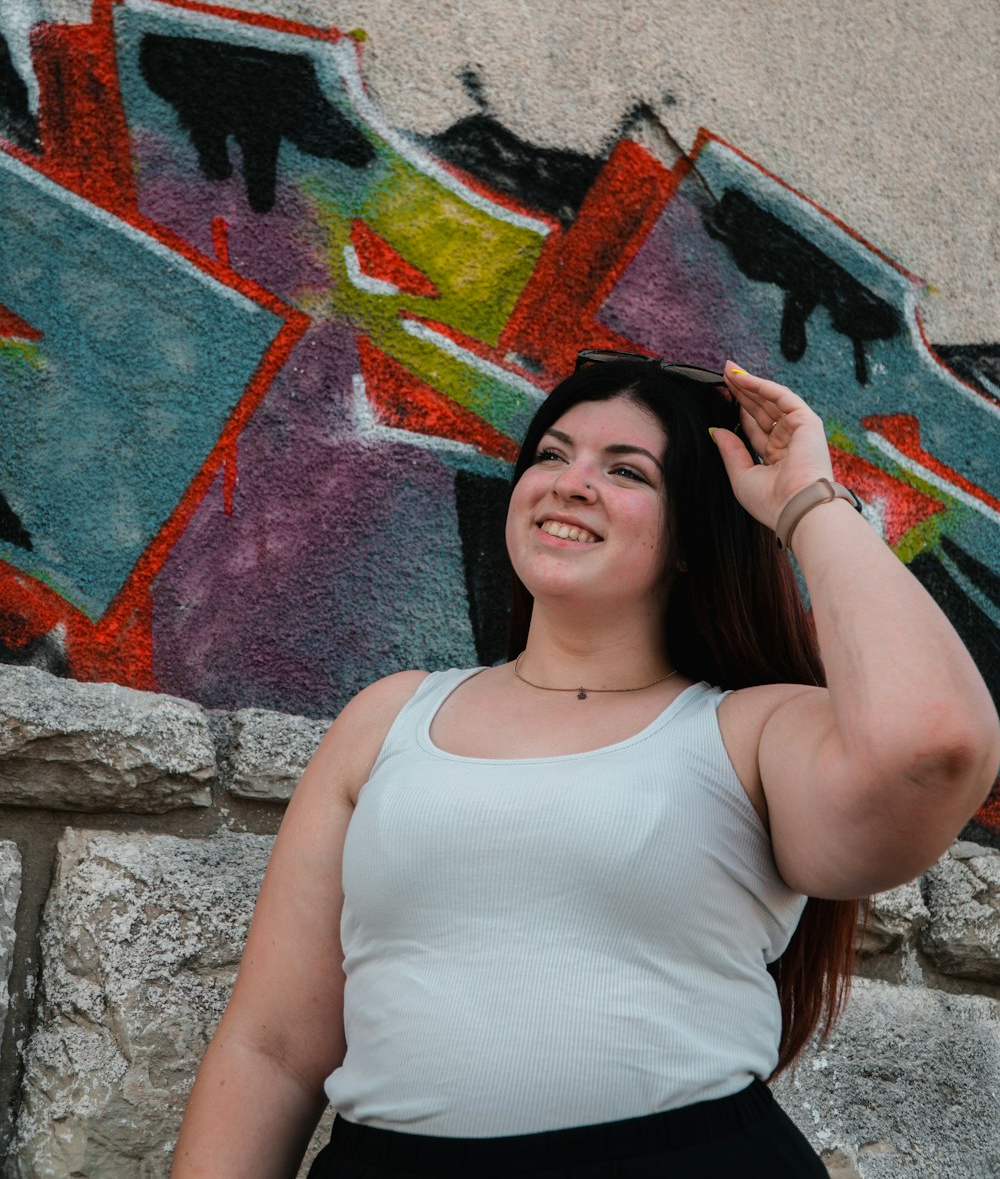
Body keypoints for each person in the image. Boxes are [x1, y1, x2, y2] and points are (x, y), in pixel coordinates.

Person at [171, 353, 999, 1179]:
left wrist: (807, 504)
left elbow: (935, 743)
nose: (571, 483)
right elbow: (269, 1050)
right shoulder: (388, 719)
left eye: (626, 471)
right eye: (552, 455)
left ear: (688, 540)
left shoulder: (748, 731)